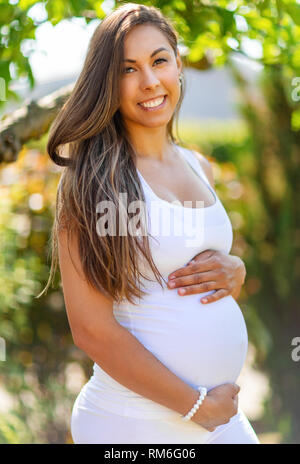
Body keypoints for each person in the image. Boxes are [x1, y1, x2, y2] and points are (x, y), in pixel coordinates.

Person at [41, 3, 260, 444]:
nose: (149, 81)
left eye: (159, 60)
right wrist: (196, 405)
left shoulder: (199, 166)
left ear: (178, 64)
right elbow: (91, 330)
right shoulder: (91, 181)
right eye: (128, 69)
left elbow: (179, 272)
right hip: (133, 423)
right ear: (108, 84)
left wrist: (235, 271)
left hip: (219, 418)